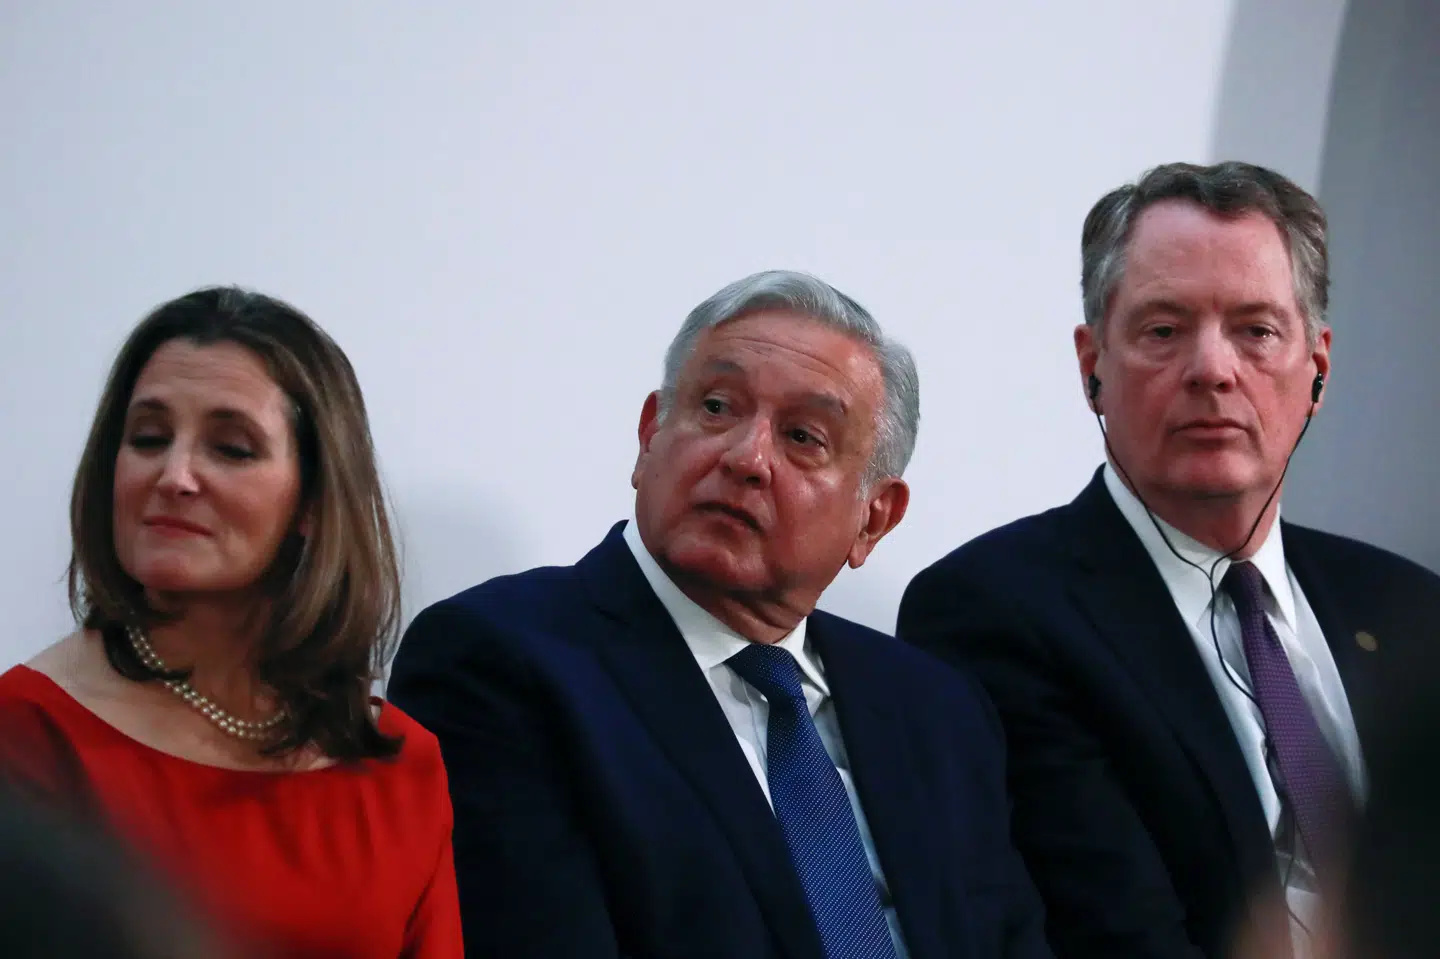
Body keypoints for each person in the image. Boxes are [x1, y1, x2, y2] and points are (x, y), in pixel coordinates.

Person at [389, 270, 1052, 958]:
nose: (747, 456)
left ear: (873, 518)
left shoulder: (937, 709)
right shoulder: (499, 662)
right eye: (716, 406)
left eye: (802, 436)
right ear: (649, 437)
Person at [897, 161, 1440, 959]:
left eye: (1256, 331)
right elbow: (1113, 933)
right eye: (1163, 330)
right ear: (1092, 367)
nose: (1213, 369)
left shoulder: (1408, 608)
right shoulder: (993, 610)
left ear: (1318, 369)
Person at [0, 288, 463, 958]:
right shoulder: (26, 732)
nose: (174, 474)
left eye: (232, 448)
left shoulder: (398, 762)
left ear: (313, 499)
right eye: (149, 438)